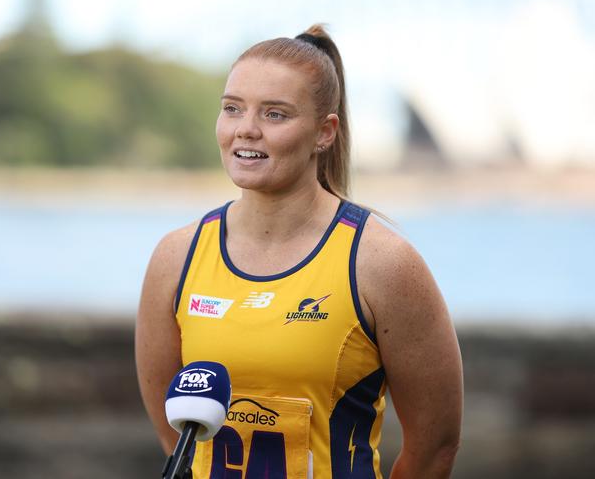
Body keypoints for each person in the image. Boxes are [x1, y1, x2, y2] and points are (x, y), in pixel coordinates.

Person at [136, 24, 463, 479]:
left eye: (275, 114)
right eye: (232, 109)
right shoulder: (176, 258)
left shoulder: (382, 263)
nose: (246, 130)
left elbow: (435, 449)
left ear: (324, 132)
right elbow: (177, 443)